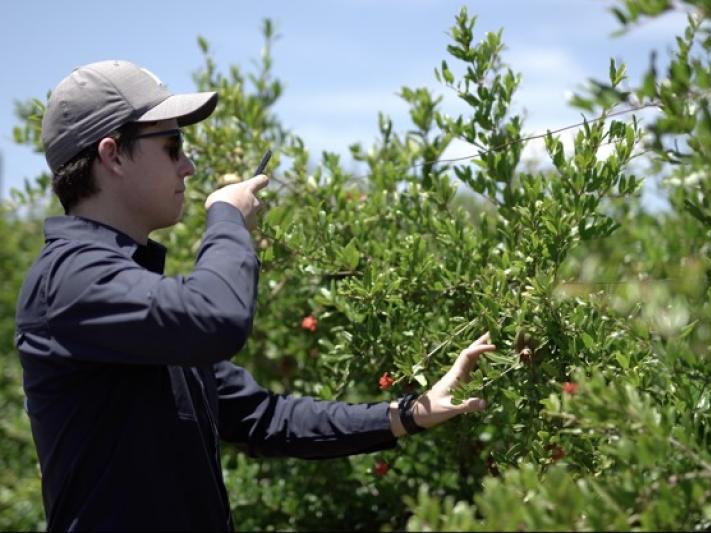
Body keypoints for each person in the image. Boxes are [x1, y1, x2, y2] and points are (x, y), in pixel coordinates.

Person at [14, 60, 495, 531]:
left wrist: (411, 412)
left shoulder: (126, 288)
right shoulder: (69, 280)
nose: (189, 165)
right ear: (112, 154)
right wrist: (225, 218)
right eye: (172, 145)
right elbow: (216, 317)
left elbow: (261, 417)